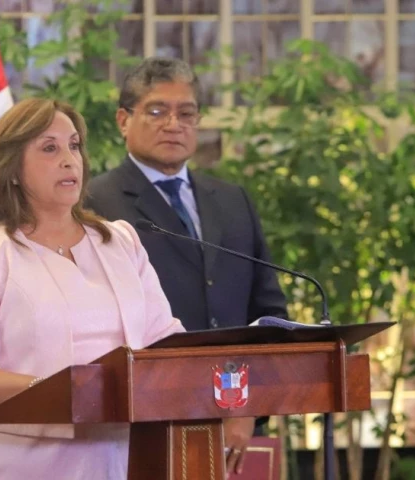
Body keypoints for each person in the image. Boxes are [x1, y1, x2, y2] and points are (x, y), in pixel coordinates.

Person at [0, 97, 184, 479]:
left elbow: (165, 342)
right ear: (13, 169)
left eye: (73, 145)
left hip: (124, 459)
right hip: (22, 463)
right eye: (49, 148)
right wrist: (67, 392)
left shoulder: (120, 242)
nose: (69, 159)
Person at [85, 57, 289, 476]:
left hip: (234, 421)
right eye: (157, 111)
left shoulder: (233, 200)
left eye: (186, 113)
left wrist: (246, 407)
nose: (173, 124)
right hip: (141, 421)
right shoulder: (95, 203)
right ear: (124, 120)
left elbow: (267, 314)